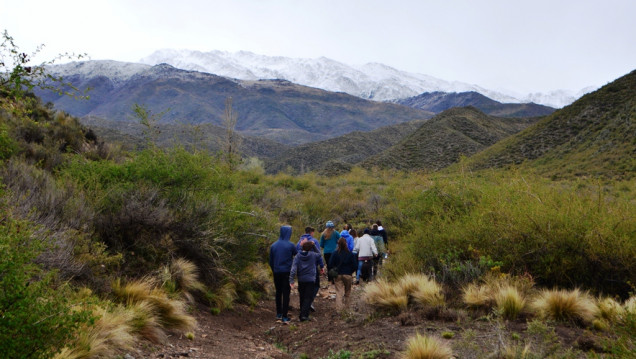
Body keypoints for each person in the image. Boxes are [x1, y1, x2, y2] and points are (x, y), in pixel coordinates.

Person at [269, 225, 298, 324]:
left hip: (277, 272)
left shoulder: (273, 245)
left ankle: (278, 313)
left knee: (278, 292)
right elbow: (297, 255)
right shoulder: (291, 245)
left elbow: (271, 261)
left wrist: (274, 269)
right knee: (286, 293)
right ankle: (285, 316)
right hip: (287, 272)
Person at [290, 240, 325, 322]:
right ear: (310, 248)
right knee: (308, 297)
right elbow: (320, 254)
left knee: (302, 296)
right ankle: (304, 315)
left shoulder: (298, 256)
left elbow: (293, 269)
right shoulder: (313, 255)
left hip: (301, 279)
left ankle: (302, 313)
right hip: (310, 279)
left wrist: (291, 280)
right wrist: (314, 246)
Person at [329, 237, 358, 311]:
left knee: (339, 292)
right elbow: (355, 265)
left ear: (338, 244)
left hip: (338, 274)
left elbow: (330, 264)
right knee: (347, 292)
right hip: (348, 274)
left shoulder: (335, 253)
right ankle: (347, 308)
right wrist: (350, 272)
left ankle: (339, 309)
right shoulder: (350, 254)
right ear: (346, 244)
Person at [296, 226, 321, 312]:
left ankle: (303, 306)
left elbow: (297, 254)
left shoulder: (299, 242)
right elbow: (319, 255)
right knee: (315, 285)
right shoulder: (314, 241)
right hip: (312, 268)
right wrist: (321, 266)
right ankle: (309, 302)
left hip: (301, 269)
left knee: (302, 288)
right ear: (311, 232)